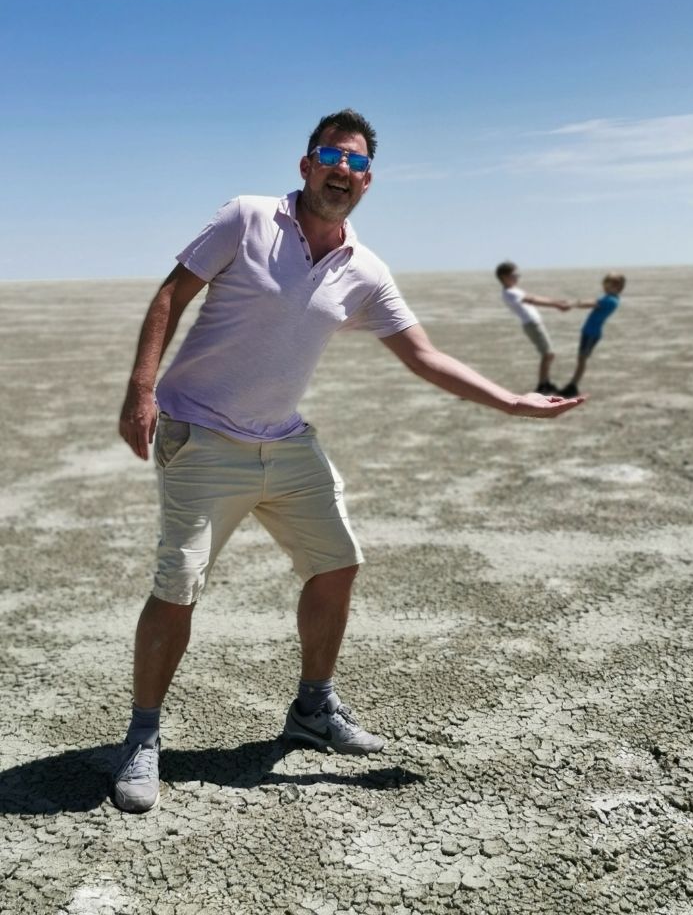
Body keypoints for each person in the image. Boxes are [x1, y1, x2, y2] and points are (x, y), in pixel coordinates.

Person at [113, 109, 585, 813]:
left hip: (287, 440)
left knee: (337, 564)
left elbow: (424, 355)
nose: (344, 170)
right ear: (306, 165)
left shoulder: (364, 270)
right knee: (179, 585)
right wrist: (141, 390)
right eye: (332, 156)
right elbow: (171, 294)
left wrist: (512, 403)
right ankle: (143, 738)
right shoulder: (247, 219)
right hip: (202, 439)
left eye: (358, 164)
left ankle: (312, 708)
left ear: (368, 183)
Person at [495, 262, 570, 395]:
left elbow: (534, 297)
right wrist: (557, 305)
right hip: (531, 324)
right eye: (514, 275)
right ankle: (542, 385)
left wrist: (557, 301)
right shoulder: (510, 292)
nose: (517, 277)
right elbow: (533, 300)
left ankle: (545, 382)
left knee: (549, 354)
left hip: (534, 323)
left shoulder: (515, 290)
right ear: (504, 277)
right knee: (548, 354)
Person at [559, 273, 626, 397]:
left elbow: (591, 303)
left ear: (618, 287)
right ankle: (572, 385)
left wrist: (573, 304)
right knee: (581, 359)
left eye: (608, 285)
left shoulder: (610, 300)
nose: (605, 287)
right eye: (605, 284)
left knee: (582, 359)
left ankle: (573, 386)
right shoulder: (610, 298)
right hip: (589, 332)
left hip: (591, 333)